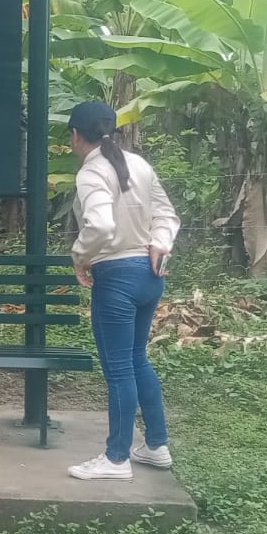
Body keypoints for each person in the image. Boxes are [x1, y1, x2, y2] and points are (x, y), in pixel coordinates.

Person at [64, 100, 180, 481]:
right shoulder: (139, 164)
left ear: (76, 135)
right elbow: (166, 214)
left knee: (118, 371)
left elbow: (100, 226)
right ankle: (156, 446)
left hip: (116, 276)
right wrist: (160, 242)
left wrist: (80, 257)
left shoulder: (91, 172)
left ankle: (116, 459)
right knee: (136, 360)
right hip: (149, 274)